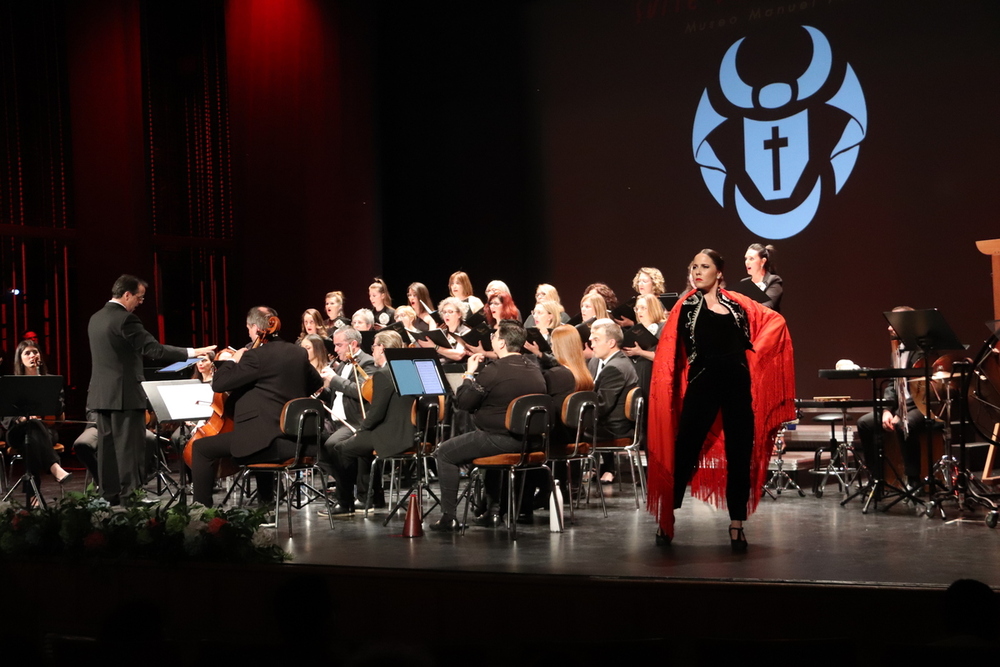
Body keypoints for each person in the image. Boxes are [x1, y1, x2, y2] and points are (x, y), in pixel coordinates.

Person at [647, 250, 795, 551]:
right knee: (685, 451)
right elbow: (670, 353)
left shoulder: (737, 305)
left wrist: (755, 359)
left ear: (719, 272)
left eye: (704, 266)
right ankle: (666, 519)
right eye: (694, 267)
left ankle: (737, 524)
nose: (697, 271)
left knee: (741, 455)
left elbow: (774, 321)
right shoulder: (686, 306)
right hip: (703, 387)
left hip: (737, 388)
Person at [87, 274, 215, 504]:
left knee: (107, 449)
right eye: (139, 297)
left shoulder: (95, 318)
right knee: (129, 448)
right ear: (127, 295)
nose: (140, 302)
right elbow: (154, 350)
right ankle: (130, 496)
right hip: (124, 394)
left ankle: (110, 494)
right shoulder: (125, 320)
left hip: (101, 394)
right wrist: (192, 352)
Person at [190, 306, 322, 507]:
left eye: (249, 329)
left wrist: (233, 362)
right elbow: (315, 383)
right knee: (260, 431)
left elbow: (219, 384)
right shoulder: (297, 352)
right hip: (297, 440)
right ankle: (266, 502)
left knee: (200, 448)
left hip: (267, 443)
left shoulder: (255, 357)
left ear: (254, 327)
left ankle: (201, 511)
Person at [430, 320, 547, 531]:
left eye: (493, 336)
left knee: (444, 452)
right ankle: (493, 512)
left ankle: (449, 517)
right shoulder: (534, 368)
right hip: (531, 441)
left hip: (502, 439)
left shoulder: (494, 370)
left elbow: (464, 402)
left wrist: (468, 373)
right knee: (483, 445)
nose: (491, 339)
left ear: (501, 343)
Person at [321, 330, 415, 515]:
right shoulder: (406, 369)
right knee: (356, 446)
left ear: (383, 348)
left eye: (374, 346)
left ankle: (345, 501)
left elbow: (376, 413)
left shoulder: (383, 374)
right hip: (407, 432)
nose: (372, 351)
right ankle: (369, 497)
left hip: (389, 434)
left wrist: (362, 429)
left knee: (340, 449)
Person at [856, 306, 926, 490]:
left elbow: (926, 388)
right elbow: (891, 385)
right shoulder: (896, 350)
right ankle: (877, 477)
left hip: (920, 407)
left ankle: (913, 479)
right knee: (865, 423)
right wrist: (887, 409)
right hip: (899, 407)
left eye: (892, 324)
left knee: (905, 424)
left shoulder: (923, 351)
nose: (888, 328)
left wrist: (901, 412)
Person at [1, 340, 73, 502]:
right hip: (17, 432)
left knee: (32, 439)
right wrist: (20, 419)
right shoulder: (12, 383)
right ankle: (54, 467)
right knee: (29, 428)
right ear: (20, 359)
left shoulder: (50, 381)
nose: (32, 355)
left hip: (45, 432)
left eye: (35, 352)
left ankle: (32, 494)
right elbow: (4, 415)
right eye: (27, 353)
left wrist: (48, 389)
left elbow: (58, 414)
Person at [588, 319, 639, 484]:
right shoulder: (620, 362)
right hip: (616, 426)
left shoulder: (614, 368)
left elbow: (602, 406)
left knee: (565, 432)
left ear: (611, 343)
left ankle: (568, 485)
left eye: (596, 340)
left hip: (614, 429)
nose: (591, 344)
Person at [319, 327, 378, 458]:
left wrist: (333, 378)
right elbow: (335, 395)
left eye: (339, 345)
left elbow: (360, 390)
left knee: (332, 446)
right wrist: (321, 391)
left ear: (353, 344)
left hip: (353, 422)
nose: (335, 350)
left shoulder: (367, 362)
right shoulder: (342, 365)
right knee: (316, 447)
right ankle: (345, 478)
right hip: (336, 422)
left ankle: (348, 479)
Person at [741, 243, 783, 312]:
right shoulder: (744, 282)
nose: (747, 262)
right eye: (746, 259)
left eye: (751, 259)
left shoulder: (773, 280)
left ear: (763, 261)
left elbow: (766, 307)